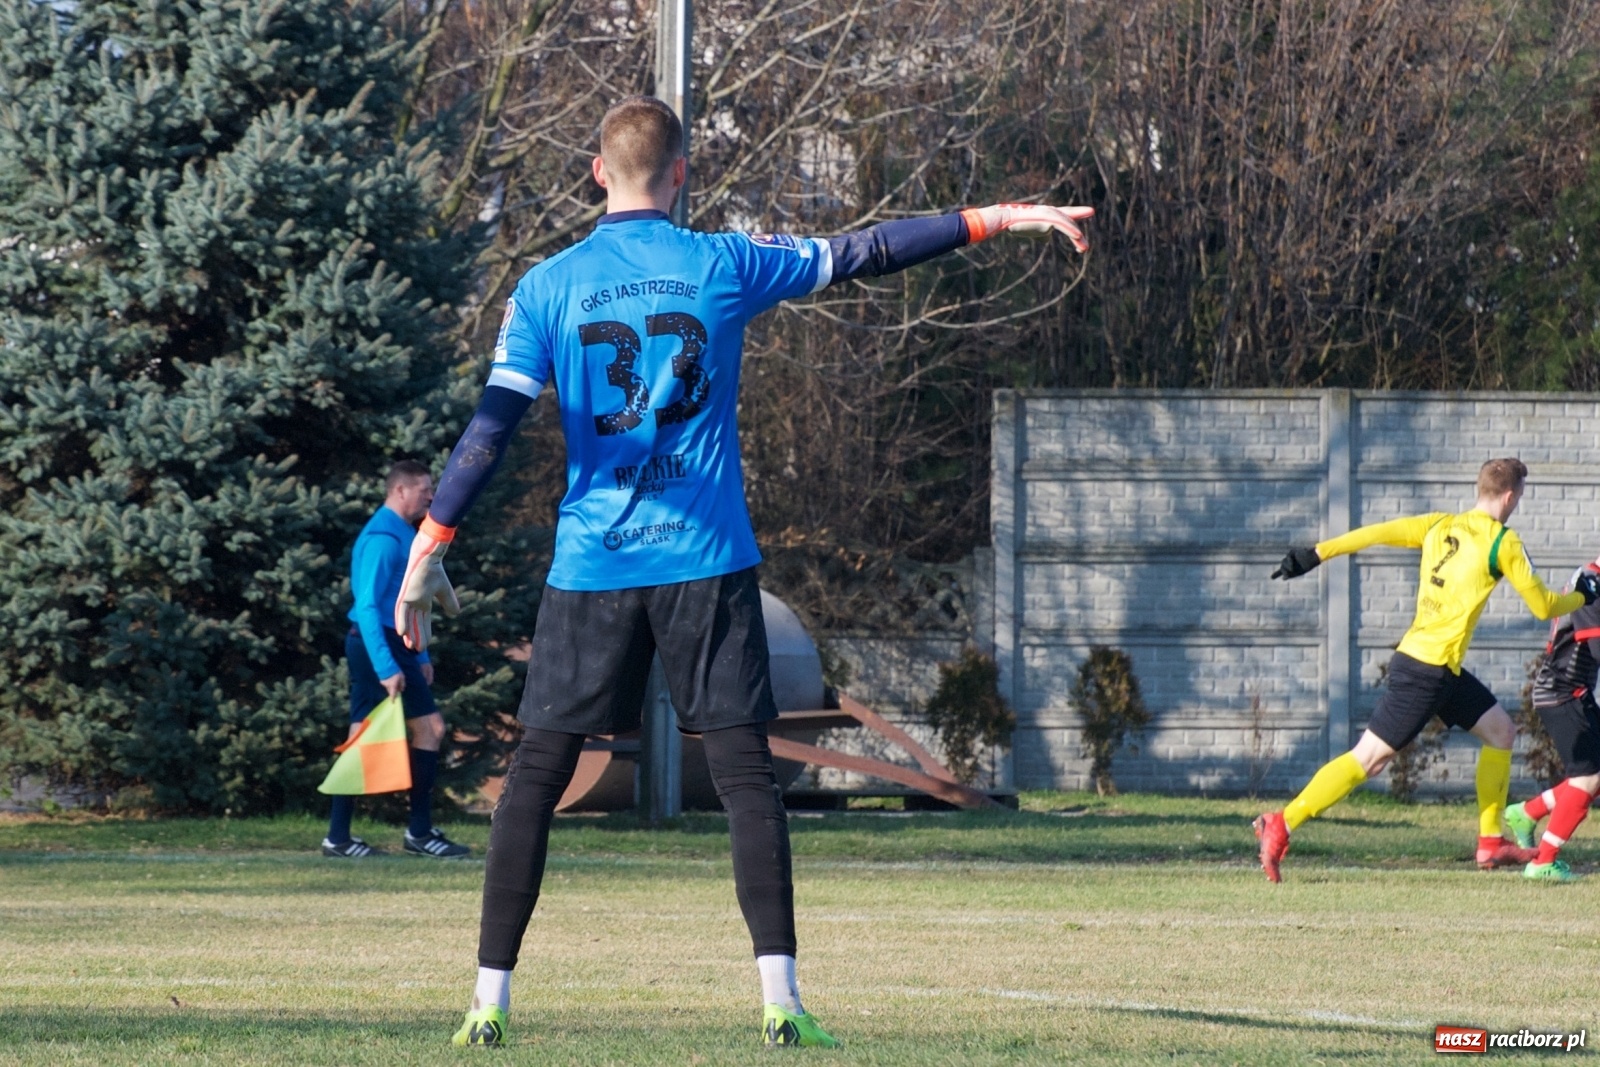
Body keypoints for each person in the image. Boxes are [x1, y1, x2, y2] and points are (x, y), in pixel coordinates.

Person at [390, 95, 1093, 1048]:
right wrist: (1001, 218)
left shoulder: (546, 287)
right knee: (746, 779)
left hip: (592, 563)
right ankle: (781, 999)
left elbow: (490, 432)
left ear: (599, 172)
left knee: (535, 777)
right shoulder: (722, 263)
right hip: (705, 564)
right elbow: (868, 249)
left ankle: (488, 1003)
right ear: (680, 174)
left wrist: (430, 544)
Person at [1255, 457, 1599, 882]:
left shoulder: (1439, 525)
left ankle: (1491, 843)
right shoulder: (1502, 543)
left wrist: (1316, 553)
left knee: (1500, 731)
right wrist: (1583, 596)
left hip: (1438, 668)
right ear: (1510, 496)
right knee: (1369, 760)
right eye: (1520, 496)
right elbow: (1544, 605)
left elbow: (1377, 532)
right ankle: (1282, 824)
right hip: (1426, 673)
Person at [322, 460, 470, 860]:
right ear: (399, 491)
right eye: (423, 489)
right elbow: (368, 607)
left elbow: (411, 599)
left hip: (394, 643)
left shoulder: (406, 533)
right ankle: (418, 833)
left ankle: (339, 838)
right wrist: (387, 666)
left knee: (361, 735)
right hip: (376, 645)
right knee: (431, 729)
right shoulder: (383, 538)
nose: (431, 495)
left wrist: (418, 651)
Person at [1503, 557, 1600, 881]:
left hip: (1570, 692)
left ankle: (1527, 813)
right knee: (1588, 778)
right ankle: (1543, 861)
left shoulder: (1588, 577)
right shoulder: (1592, 585)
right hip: (1564, 692)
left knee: (1592, 774)